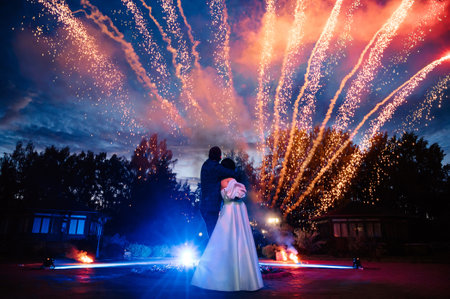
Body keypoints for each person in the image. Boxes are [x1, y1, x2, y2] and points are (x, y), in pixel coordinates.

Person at [191, 158, 264, 291]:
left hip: (228, 210)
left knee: (223, 240)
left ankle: (218, 273)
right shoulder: (235, 182)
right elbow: (240, 195)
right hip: (239, 211)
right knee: (240, 239)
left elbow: (219, 196)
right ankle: (243, 277)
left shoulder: (220, 182)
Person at [200, 146, 235, 238]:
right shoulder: (215, 167)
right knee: (215, 235)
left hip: (205, 205)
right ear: (219, 156)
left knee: (211, 233)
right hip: (212, 207)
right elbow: (233, 173)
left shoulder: (205, 165)